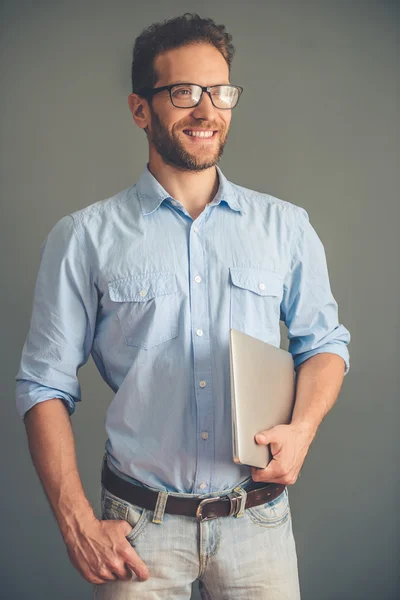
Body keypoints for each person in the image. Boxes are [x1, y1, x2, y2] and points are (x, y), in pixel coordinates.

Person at [15, 12, 351, 600]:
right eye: (183, 92)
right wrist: (75, 522)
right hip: (139, 530)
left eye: (220, 92)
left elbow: (324, 345)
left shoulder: (286, 227)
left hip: (259, 524)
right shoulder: (84, 238)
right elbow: (43, 383)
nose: (206, 110)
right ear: (140, 109)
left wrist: (302, 429)